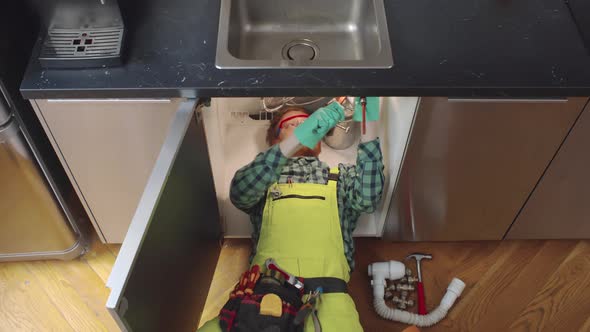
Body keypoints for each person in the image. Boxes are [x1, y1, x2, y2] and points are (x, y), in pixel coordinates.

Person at [199, 97, 384, 332]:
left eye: (307, 124)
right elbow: (240, 192)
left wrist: (370, 128)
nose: (302, 128)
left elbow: (368, 199)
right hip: (261, 302)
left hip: (330, 303)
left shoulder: (341, 177)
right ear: (275, 140)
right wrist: (291, 146)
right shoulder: (265, 178)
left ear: (320, 142)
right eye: (291, 125)